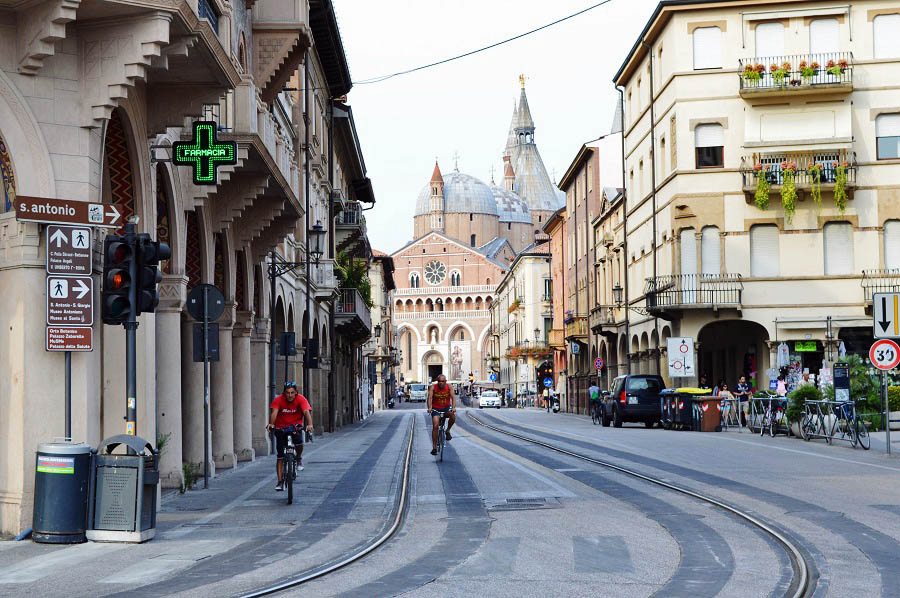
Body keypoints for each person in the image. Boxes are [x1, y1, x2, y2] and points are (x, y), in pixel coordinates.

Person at [266, 382, 313, 491]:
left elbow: (306, 412)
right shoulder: (278, 400)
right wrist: (271, 423)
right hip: (281, 428)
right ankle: (280, 482)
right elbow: (274, 413)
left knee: (299, 443)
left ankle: (299, 458)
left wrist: (309, 424)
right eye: (287, 393)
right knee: (280, 456)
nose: (290, 395)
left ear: (296, 392)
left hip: (295, 427)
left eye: (292, 393)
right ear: (284, 393)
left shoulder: (301, 399)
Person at [427, 374, 456, 455]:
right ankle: (434, 447)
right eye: (439, 381)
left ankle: (447, 431)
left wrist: (453, 407)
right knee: (435, 426)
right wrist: (429, 408)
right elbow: (429, 397)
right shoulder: (433, 387)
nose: (440, 383)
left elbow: (453, 397)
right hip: (436, 409)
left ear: (445, 382)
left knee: (453, 416)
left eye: (442, 381)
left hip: (446, 408)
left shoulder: (449, 386)